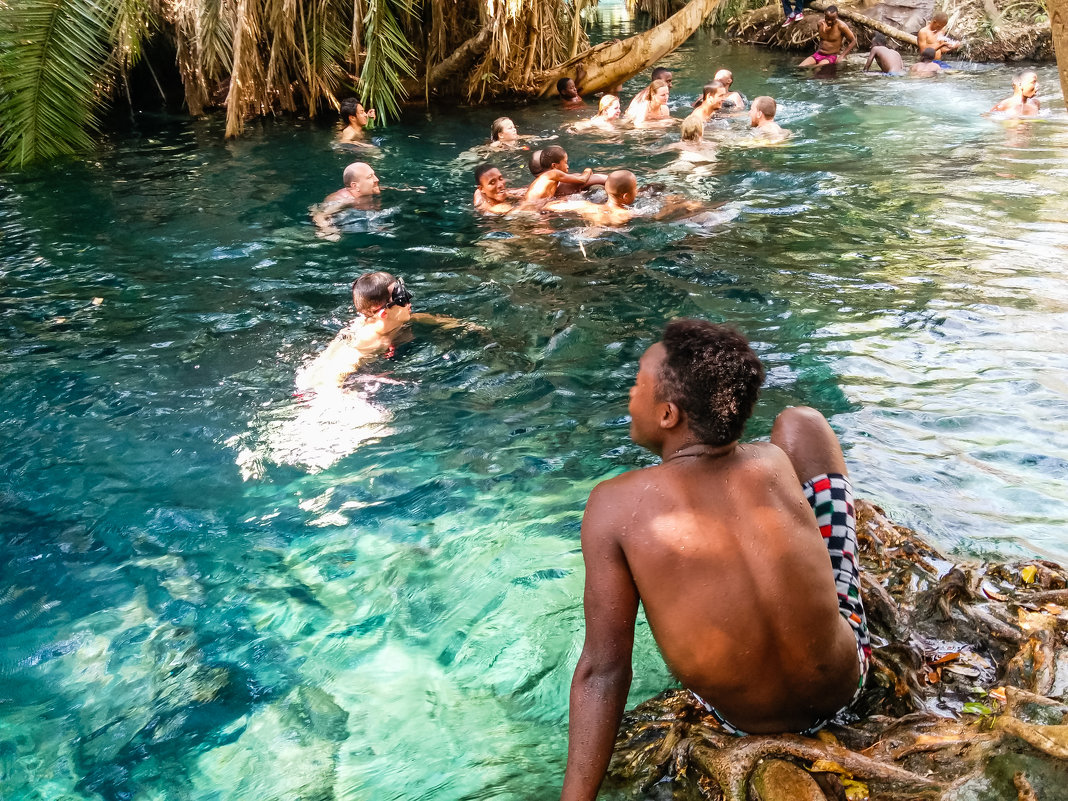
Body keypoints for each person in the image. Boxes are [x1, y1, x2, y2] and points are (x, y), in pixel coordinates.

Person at [558, 320, 871, 801]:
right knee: (801, 423)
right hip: (848, 687)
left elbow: (604, 670)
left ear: (668, 415)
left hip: (741, 723)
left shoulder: (614, 506)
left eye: (638, 384)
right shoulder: (773, 464)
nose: (629, 390)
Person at [311, 162, 381, 237]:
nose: (376, 179)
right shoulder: (346, 200)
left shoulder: (365, 192)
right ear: (355, 186)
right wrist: (329, 231)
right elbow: (319, 216)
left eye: (374, 175)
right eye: (370, 177)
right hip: (340, 225)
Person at [548, 169, 638, 227]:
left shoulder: (585, 206)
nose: (637, 191)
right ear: (625, 196)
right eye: (635, 189)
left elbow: (549, 206)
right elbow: (650, 216)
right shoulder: (627, 214)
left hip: (584, 234)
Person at [525, 146, 595, 202]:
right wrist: (587, 170)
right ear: (554, 166)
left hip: (530, 207)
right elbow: (582, 179)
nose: (567, 166)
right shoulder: (553, 173)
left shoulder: (541, 181)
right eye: (565, 162)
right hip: (532, 207)